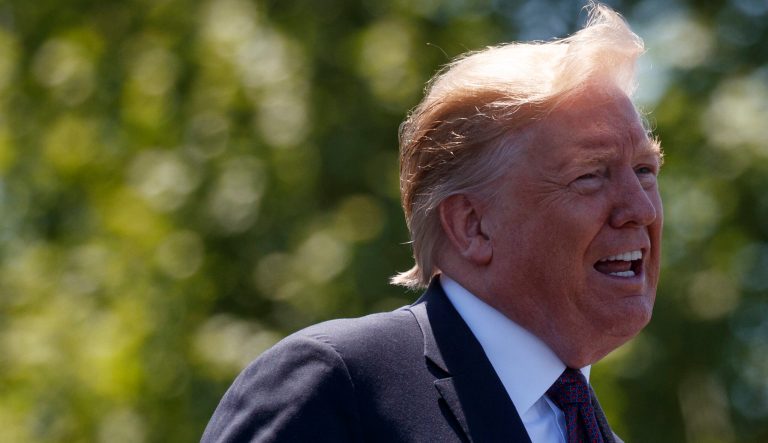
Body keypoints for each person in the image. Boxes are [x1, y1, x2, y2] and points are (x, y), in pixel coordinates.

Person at [202, 3, 662, 442]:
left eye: (644, 171)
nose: (640, 209)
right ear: (472, 225)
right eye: (590, 176)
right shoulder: (338, 387)